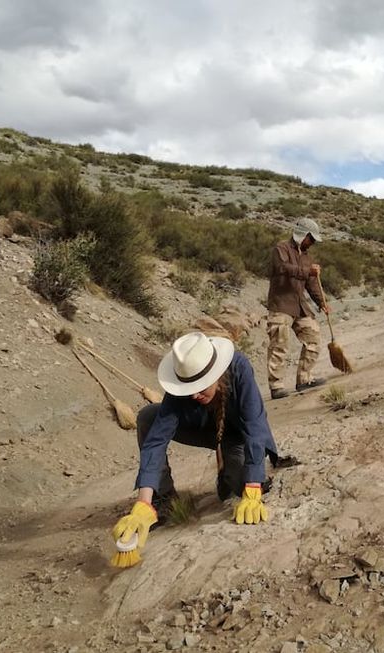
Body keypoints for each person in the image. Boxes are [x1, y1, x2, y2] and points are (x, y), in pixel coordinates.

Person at [111, 331, 278, 567]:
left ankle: (227, 470)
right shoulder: (183, 385)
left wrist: (253, 484)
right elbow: (156, 442)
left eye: (200, 387)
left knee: (235, 488)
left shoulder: (239, 368)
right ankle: (165, 499)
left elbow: (255, 425)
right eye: (188, 389)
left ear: (217, 373)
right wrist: (143, 504)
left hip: (235, 435)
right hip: (201, 429)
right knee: (148, 416)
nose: (194, 395)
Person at [266, 217, 330, 399]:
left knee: (313, 336)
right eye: (312, 239)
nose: (313, 243)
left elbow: (312, 284)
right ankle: (276, 386)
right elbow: (283, 268)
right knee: (279, 345)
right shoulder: (281, 249)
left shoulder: (308, 258)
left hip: (300, 306)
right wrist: (307, 271)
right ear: (304, 235)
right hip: (281, 305)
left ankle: (304, 378)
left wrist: (322, 303)